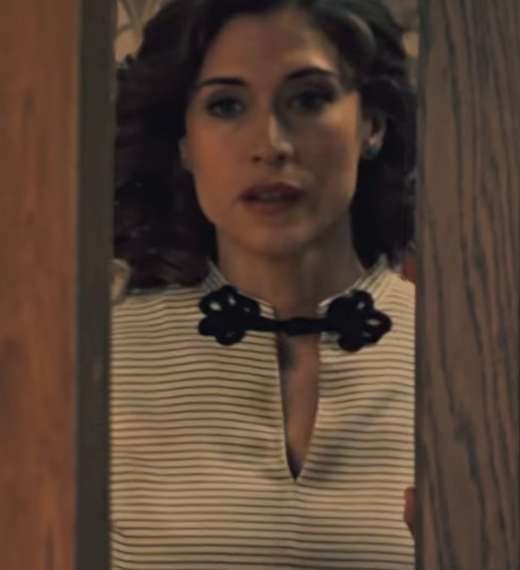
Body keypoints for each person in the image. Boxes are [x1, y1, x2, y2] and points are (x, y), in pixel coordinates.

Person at [110, 0, 416, 568]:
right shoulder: (101, 361)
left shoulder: (461, 360)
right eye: (226, 105)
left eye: (309, 99)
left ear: (372, 124)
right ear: (183, 141)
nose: (270, 143)